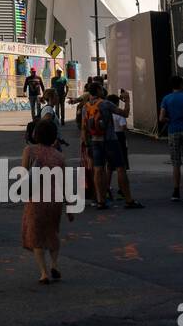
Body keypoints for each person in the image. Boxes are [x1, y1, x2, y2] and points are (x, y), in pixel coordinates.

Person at [21, 120, 72, 284]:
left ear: (35, 134)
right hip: (55, 200)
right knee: (52, 233)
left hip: (36, 198)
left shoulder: (30, 150)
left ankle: (43, 272)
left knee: (36, 236)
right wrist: (69, 206)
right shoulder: (60, 156)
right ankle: (55, 264)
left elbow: (23, 174)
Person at [82, 86, 143, 210]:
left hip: (95, 141)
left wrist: (86, 144)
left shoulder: (85, 107)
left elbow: (84, 128)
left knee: (98, 170)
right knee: (120, 168)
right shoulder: (105, 104)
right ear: (98, 91)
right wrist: (127, 101)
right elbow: (124, 114)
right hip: (110, 140)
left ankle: (101, 201)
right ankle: (128, 200)